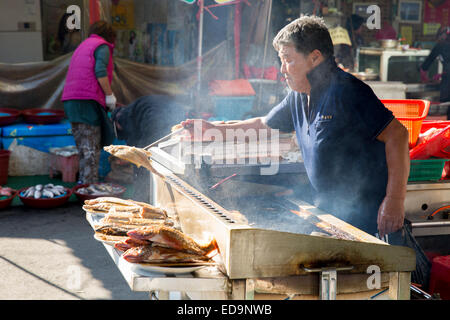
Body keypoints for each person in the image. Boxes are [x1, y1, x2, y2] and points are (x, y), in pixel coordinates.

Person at [181, 16, 431, 288]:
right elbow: (264, 124)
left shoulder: (348, 91)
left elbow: (398, 135)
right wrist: (212, 129)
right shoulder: (299, 95)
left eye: (288, 59)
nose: (282, 69)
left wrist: (394, 200)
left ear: (314, 57)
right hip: (333, 217)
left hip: (371, 224)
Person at [61, 21, 117, 184]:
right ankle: (89, 189)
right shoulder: (102, 46)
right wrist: (109, 95)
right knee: (91, 150)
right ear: (110, 36)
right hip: (86, 102)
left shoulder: (83, 45)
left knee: (83, 149)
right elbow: (100, 71)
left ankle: (84, 185)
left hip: (70, 100)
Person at [111, 95, 188, 202]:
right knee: (166, 161)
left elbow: (135, 146)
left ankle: (142, 200)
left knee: (142, 162)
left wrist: (130, 158)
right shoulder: (133, 108)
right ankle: (167, 198)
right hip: (175, 117)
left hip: (154, 122)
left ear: (116, 123)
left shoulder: (122, 117)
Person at [420, 26, 450, 120]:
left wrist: (424, 75)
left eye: (440, 36)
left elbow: (427, 63)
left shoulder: (440, 46)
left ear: (444, 35)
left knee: (446, 103)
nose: (439, 39)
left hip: (448, 82)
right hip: (447, 77)